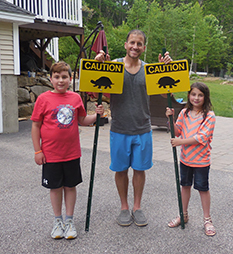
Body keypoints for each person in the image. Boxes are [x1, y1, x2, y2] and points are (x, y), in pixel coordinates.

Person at [94, 29, 172, 227]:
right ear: (125, 45)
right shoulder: (114, 66)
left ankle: (137, 207)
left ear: (144, 48)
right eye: (132, 43)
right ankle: (124, 207)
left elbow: (165, 95)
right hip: (119, 128)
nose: (135, 47)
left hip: (143, 129)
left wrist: (166, 71)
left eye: (139, 44)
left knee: (139, 169)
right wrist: (98, 66)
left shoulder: (149, 70)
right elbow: (95, 90)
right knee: (120, 170)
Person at [31, 61, 104, 239]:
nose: (61, 80)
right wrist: (37, 150)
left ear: (70, 79)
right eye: (57, 77)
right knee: (55, 188)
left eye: (64, 77)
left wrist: (97, 115)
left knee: (70, 186)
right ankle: (58, 221)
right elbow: (35, 125)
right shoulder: (43, 99)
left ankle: (69, 221)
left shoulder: (75, 98)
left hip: (71, 153)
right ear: (51, 79)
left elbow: (82, 120)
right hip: (50, 154)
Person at [165, 82, 216, 236]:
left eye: (200, 95)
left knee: (202, 188)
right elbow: (177, 131)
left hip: (201, 160)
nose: (196, 98)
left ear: (205, 97)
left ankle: (207, 219)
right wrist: (170, 119)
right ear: (188, 95)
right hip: (186, 159)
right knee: (185, 186)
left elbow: (202, 137)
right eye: (193, 94)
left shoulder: (209, 116)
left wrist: (180, 142)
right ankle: (183, 214)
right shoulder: (184, 112)